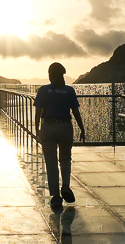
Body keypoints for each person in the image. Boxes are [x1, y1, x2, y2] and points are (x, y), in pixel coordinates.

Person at [34, 62, 86, 209]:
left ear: (49, 74)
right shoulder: (69, 91)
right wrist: (82, 129)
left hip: (49, 127)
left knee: (51, 161)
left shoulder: (43, 90)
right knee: (65, 158)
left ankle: (55, 195)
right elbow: (75, 111)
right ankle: (66, 187)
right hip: (65, 127)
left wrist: (37, 128)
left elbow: (38, 111)